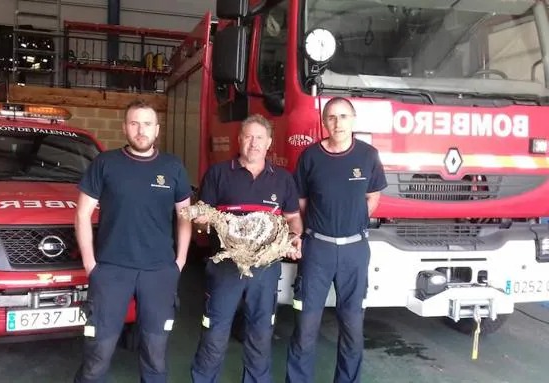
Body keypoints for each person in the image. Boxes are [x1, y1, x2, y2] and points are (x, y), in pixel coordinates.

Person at [73, 100, 192, 383]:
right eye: (135, 123)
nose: (141, 130)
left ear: (157, 130)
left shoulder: (172, 167)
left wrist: (181, 261)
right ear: (125, 127)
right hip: (112, 271)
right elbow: (82, 214)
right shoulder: (105, 163)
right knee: (98, 353)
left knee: (155, 354)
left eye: (147, 124)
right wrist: (91, 264)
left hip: (159, 272)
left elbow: (185, 216)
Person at [190, 114, 303, 383]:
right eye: (248, 137)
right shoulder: (218, 174)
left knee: (261, 333)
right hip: (225, 270)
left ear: (269, 143)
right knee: (215, 333)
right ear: (239, 140)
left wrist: (295, 236)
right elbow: (203, 215)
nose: (253, 143)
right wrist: (201, 221)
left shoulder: (283, 180)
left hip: (265, 270)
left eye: (259, 138)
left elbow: (292, 218)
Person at [285, 97, 387, 383]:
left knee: (352, 329)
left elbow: (373, 196)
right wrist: (316, 230)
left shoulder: (368, 156)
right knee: (306, 327)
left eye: (343, 116)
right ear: (324, 122)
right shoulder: (310, 157)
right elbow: (301, 202)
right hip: (318, 249)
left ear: (353, 120)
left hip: (355, 251)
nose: (338, 123)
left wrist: (352, 221)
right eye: (331, 117)